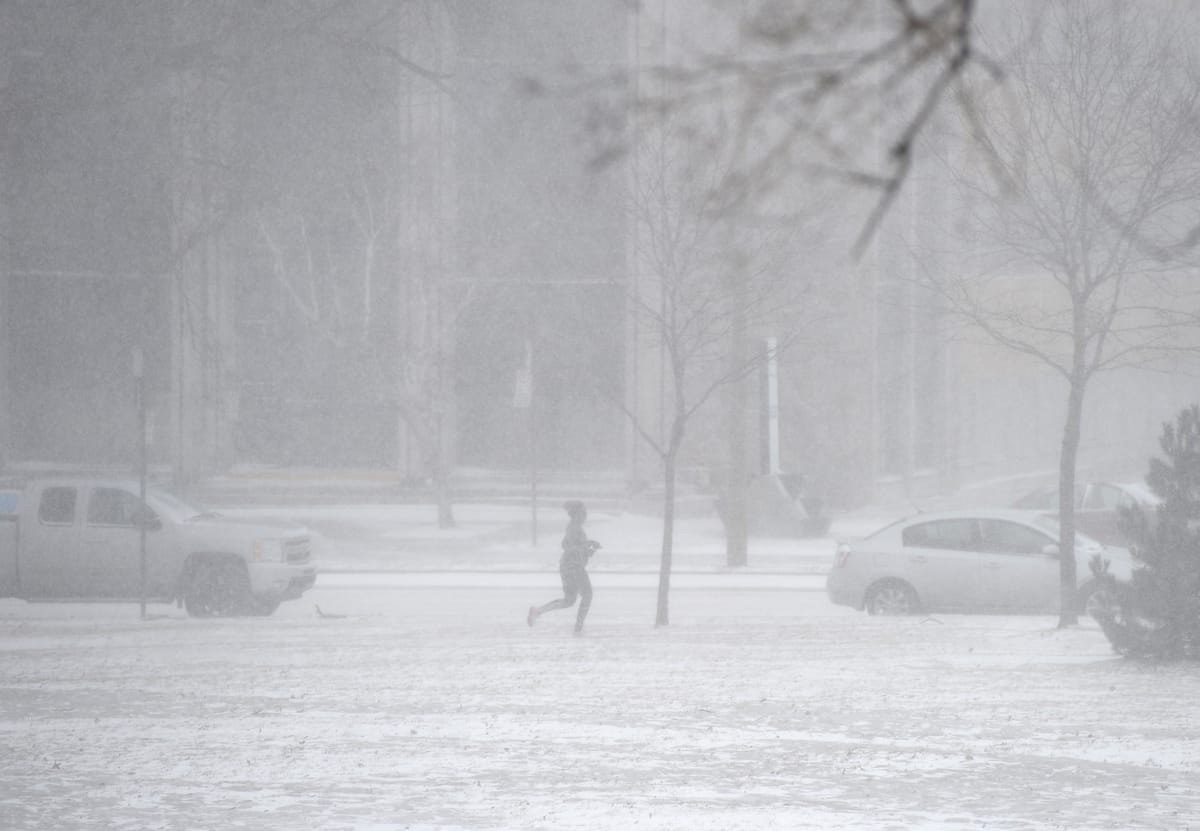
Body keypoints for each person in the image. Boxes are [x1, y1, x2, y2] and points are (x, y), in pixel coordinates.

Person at [527, 500, 600, 635]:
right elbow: (567, 546)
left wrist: (588, 550)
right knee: (587, 595)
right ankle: (578, 628)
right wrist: (587, 545)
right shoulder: (574, 528)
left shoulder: (574, 528)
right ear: (576, 514)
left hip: (568, 566)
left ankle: (537, 611)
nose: (585, 515)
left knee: (569, 600)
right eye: (583, 512)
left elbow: (573, 547)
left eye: (585, 512)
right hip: (574, 566)